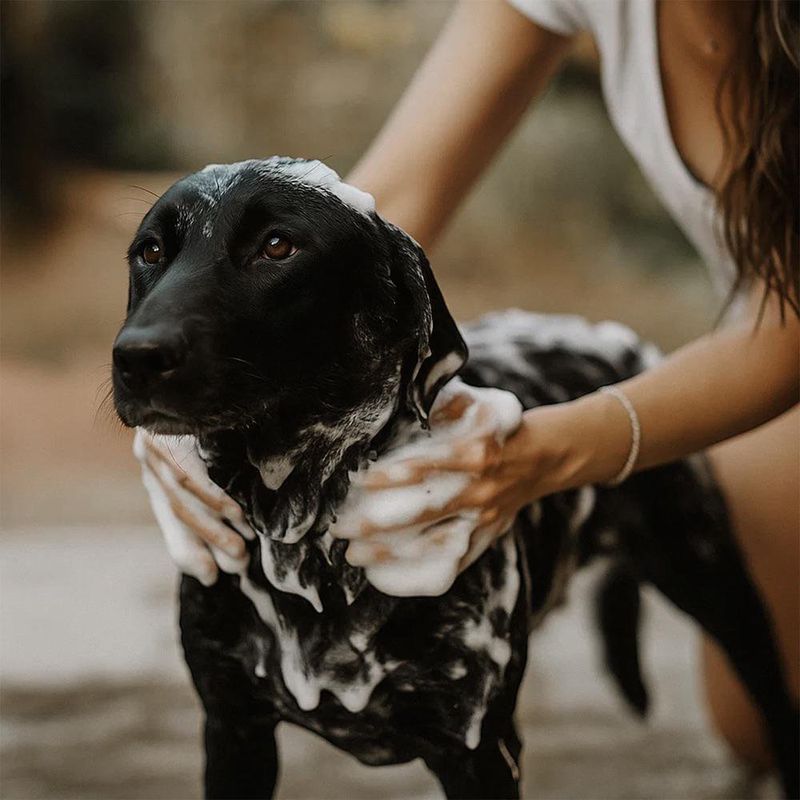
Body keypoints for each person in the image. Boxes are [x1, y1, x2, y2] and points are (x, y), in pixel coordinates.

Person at [136, 0, 799, 775]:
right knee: (752, 728)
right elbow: (382, 215)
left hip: (779, 352)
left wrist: (544, 454)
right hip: (756, 345)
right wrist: (186, 386)